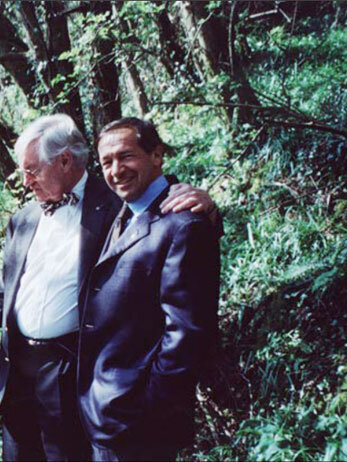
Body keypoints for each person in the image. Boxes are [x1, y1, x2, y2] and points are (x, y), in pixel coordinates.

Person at [0, 114, 216, 461]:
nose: (26, 182)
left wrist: (209, 208)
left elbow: (168, 226)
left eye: (32, 170)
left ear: (65, 160)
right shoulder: (22, 220)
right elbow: (6, 297)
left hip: (74, 375)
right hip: (18, 376)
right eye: (107, 161)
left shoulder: (117, 204)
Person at [78, 117, 220, 461]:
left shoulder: (184, 224)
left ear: (156, 155)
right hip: (104, 413)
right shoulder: (123, 212)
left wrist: (147, 412)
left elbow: (186, 335)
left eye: (125, 156)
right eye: (106, 162)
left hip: (139, 425)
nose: (115, 170)